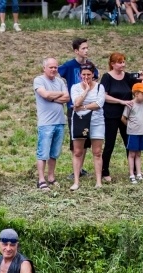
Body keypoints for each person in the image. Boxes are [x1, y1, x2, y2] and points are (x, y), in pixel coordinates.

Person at [100, 52, 143, 182]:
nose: (123, 64)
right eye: (120, 62)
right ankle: (104, 171)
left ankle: (133, 171)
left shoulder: (127, 76)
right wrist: (121, 101)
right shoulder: (107, 77)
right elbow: (103, 96)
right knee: (110, 143)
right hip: (111, 114)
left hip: (128, 115)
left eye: (124, 62)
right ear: (112, 64)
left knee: (130, 143)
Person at [58, 38, 98, 180]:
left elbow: (96, 80)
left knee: (86, 138)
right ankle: (75, 168)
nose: (86, 51)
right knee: (76, 138)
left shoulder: (90, 66)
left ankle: (80, 169)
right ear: (76, 51)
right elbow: (58, 75)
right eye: (83, 48)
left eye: (87, 48)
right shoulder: (69, 65)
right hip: (74, 107)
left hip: (89, 107)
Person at [33, 57, 69, 191]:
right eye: (51, 67)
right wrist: (58, 95)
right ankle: (41, 179)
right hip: (46, 123)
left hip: (60, 122)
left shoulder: (60, 81)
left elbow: (67, 97)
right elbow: (45, 94)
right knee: (43, 152)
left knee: (54, 153)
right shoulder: (39, 80)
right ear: (44, 68)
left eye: (56, 67)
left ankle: (51, 177)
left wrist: (52, 97)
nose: (54, 69)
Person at [69, 63, 106, 190]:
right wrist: (85, 91)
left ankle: (98, 181)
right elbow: (75, 102)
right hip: (80, 120)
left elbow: (98, 104)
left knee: (97, 152)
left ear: (93, 74)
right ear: (80, 75)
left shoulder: (100, 87)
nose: (86, 77)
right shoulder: (75, 87)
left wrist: (83, 107)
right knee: (78, 152)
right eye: (83, 74)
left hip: (96, 121)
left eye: (88, 75)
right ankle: (76, 181)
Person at [121, 82, 143, 183]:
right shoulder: (130, 104)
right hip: (133, 133)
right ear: (136, 94)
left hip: (141, 132)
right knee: (132, 153)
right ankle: (132, 174)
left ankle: (138, 173)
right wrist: (130, 126)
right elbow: (123, 118)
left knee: (138, 153)